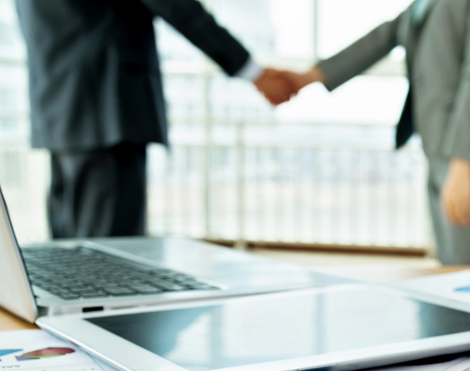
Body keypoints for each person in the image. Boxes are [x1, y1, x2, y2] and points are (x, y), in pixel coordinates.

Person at [16, 0, 295, 239]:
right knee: (110, 266)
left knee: (70, 258)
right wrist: (251, 70)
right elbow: (177, 6)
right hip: (108, 101)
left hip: (59, 104)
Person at [289, 0, 470, 265]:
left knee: (469, 273)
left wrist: (462, 165)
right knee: (451, 268)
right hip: (439, 151)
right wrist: (306, 78)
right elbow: (385, 36)